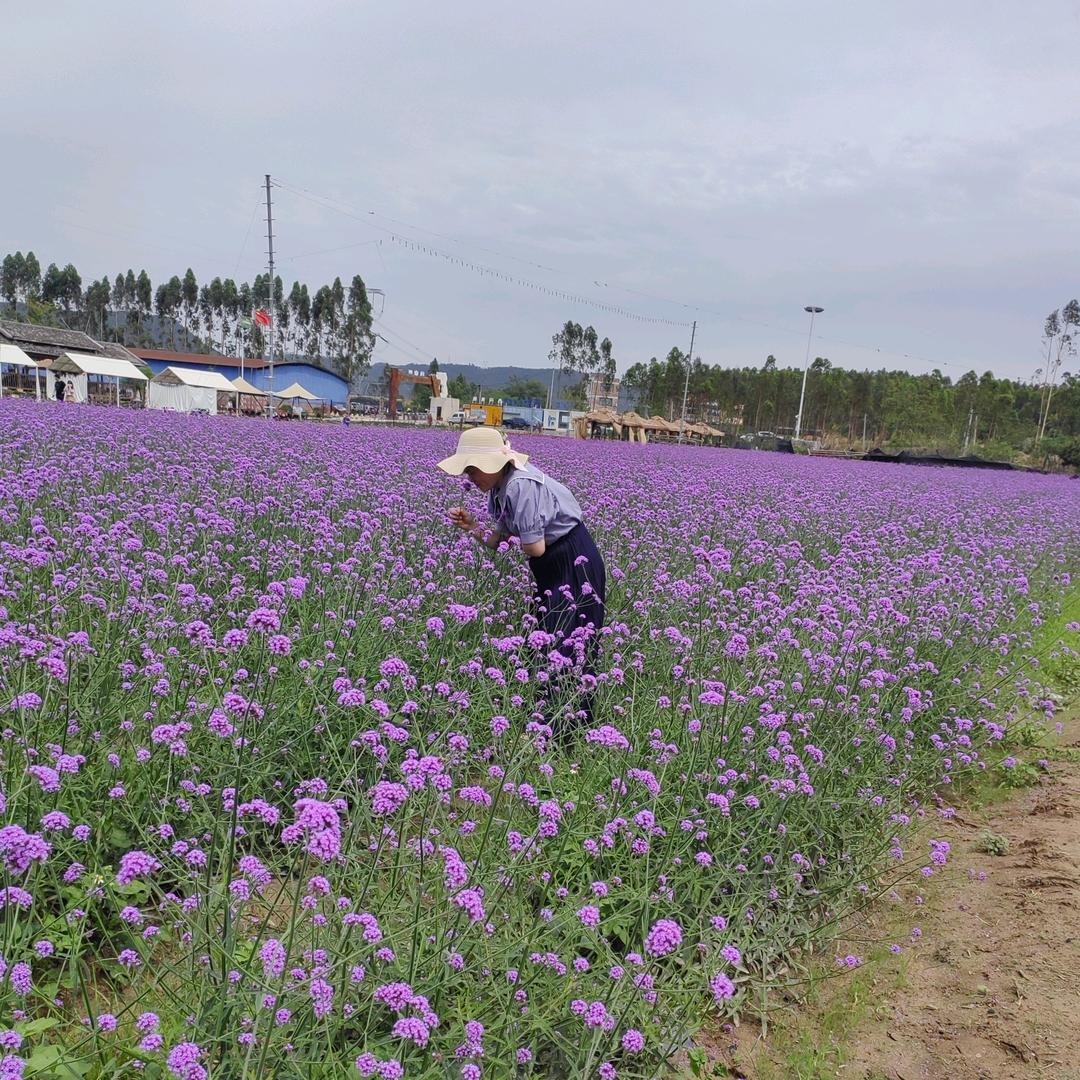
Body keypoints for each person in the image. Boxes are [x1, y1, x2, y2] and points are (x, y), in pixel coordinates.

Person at [439, 427, 606, 728]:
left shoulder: (520, 486)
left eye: (472, 469)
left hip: (571, 558)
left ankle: (565, 731)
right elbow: (497, 542)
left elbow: (535, 547)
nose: (469, 478)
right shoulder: (500, 490)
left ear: (493, 464)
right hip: (552, 563)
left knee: (569, 643)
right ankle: (546, 721)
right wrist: (472, 526)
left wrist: (511, 535)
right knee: (547, 641)